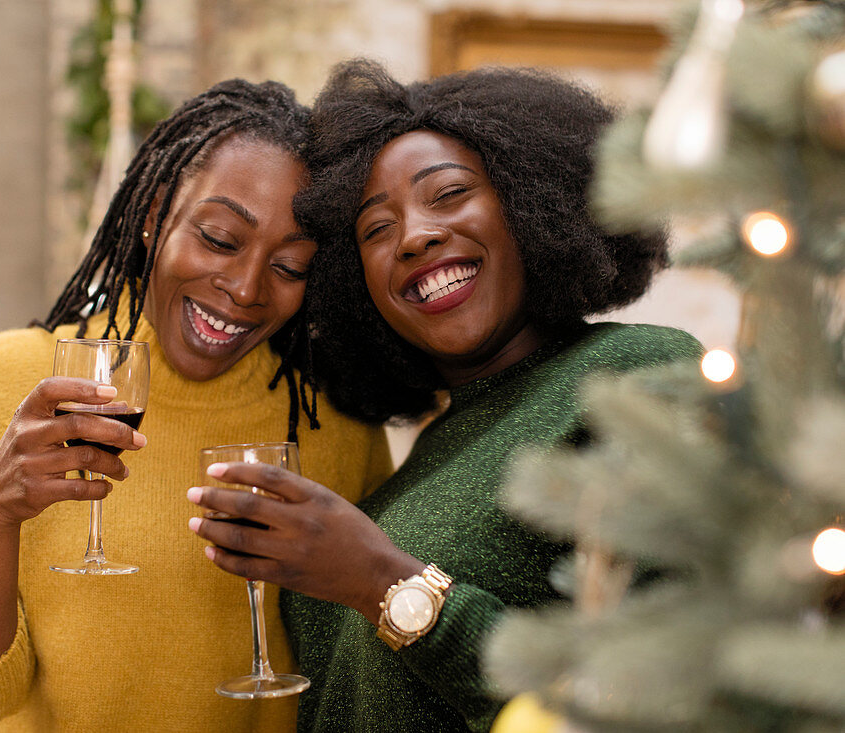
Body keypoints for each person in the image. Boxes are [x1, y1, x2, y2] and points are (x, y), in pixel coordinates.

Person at [187, 60, 703, 731]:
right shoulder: (427, 455)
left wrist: (382, 582)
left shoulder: (637, 375)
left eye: (449, 193)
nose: (416, 236)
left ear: (531, 203)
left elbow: (664, 688)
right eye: (376, 229)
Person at [0, 78, 392, 733]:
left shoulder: (333, 420)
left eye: (290, 266)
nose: (244, 288)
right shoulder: (8, 377)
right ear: (157, 212)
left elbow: (367, 673)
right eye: (218, 238)